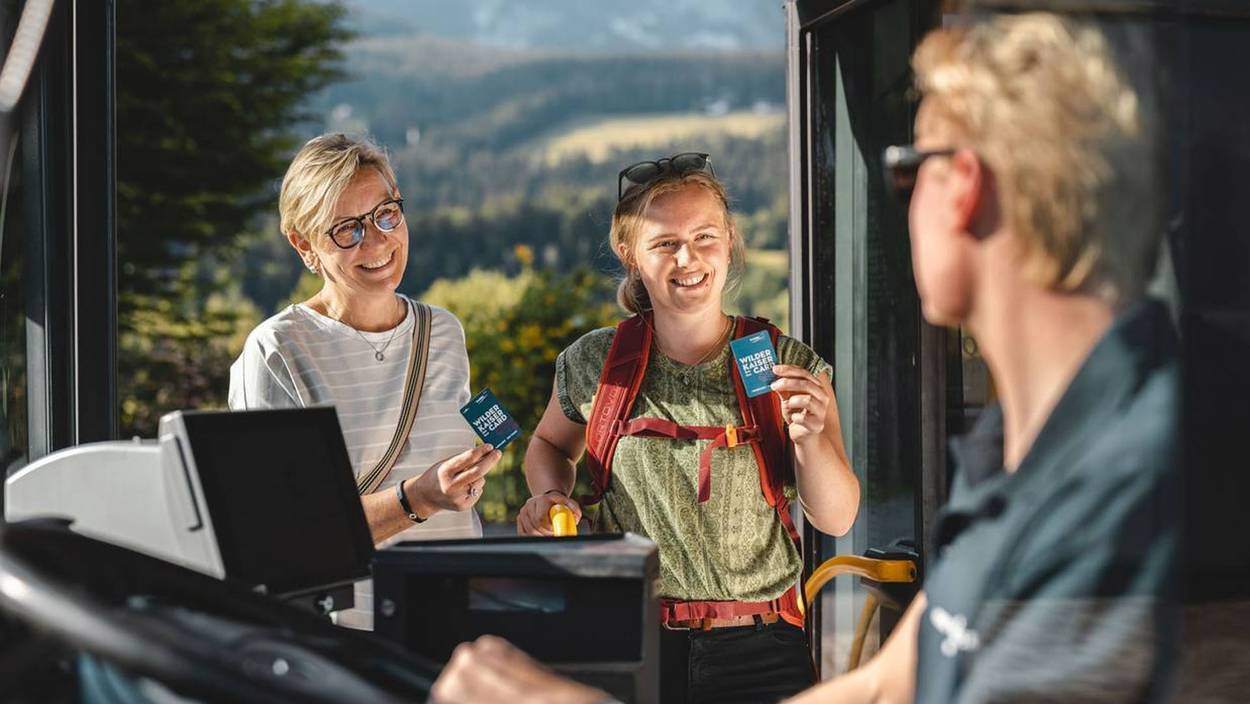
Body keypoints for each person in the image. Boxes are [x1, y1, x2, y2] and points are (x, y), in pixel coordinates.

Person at [432, 12, 1179, 704]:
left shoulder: (1124, 492)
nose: (900, 202)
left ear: (962, 189)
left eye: (904, 169)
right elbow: (889, 681)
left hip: (761, 643)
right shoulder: (1023, 462)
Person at [515, 153, 860, 703]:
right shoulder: (597, 363)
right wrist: (550, 493)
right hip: (628, 637)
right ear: (630, 256)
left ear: (729, 241)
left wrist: (810, 439)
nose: (689, 258)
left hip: (762, 650)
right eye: (665, 243)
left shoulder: (785, 363)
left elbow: (837, 516)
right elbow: (549, 443)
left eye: (704, 237)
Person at [229, 134, 500, 630]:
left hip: (454, 621)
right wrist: (415, 499)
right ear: (303, 244)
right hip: (343, 641)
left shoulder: (444, 332)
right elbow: (280, 540)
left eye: (385, 214)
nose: (376, 242)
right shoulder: (277, 352)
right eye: (346, 230)